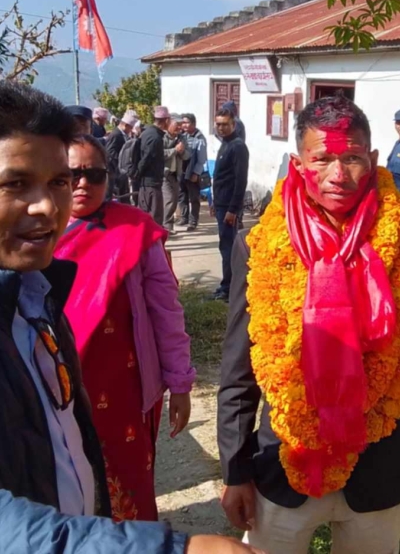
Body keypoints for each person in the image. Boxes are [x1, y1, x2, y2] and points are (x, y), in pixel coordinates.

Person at [0, 81, 264, 553]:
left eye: (73, 178)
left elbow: (166, 313)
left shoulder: (43, 290)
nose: (54, 199)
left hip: (116, 389)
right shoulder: (35, 255)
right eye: (16, 183)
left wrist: (179, 381)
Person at [217, 95, 400, 554]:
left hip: (376, 469)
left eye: (352, 158)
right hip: (282, 466)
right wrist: (235, 470)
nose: (338, 175)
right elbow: (238, 364)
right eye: (322, 158)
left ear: (374, 159)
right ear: (298, 163)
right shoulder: (258, 243)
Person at [54, 135, 195, 522]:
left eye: (93, 174)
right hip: (54, 388)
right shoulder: (32, 232)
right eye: (70, 174)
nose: (82, 184)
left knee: (126, 491)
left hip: (124, 391)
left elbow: (167, 313)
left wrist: (180, 384)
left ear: (109, 178)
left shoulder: (136, 230)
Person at [211, 107, 249, 302]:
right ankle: (226, 285)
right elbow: (220, 177)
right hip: (220, 204)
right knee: (224, 246)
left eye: (225, 124)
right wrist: (213, 201)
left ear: (233, 124)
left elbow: (240, 181)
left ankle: (229, 288)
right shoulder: (224, 144)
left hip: (229, 207)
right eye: (218, 124)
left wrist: (233, 210)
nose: (221, 128)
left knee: (228, 248)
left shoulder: (237, 146)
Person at [138, 106, 171, 226]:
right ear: (166, 120)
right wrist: (138, 173)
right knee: (155, 220)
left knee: (146, 218)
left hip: (147, 184)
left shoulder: (147, 133)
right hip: (151, 184)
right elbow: (146, 158)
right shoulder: (155, 137)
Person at [178, 113, 207, 232]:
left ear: (194, 124)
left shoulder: (199, 138)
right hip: (182, 170)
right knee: (182, 194)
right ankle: (183, 217)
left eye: (187, 122)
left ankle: (193, 220)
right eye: (183, 122)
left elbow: (202, 159)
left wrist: (196, 173)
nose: (184, 125)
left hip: (193, 171)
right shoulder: (182, 136)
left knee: (194, 197)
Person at [105, 109, 139, 202]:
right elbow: (109, 152)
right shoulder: (115, 135)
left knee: (125, 195)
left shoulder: (123, 135)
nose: (131, 130)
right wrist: (122, 158)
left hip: (122, 171)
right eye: (130, 127)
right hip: (115, 170)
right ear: (125, 125)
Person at [164, 118, 188, 234]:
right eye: (177, 125)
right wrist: (174, 150)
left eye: (180, 125)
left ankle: (167, 226)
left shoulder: (181, 138)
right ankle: (166, 227)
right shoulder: (162, 137)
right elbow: (160, 154)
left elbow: (187, 155)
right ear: (169, 124)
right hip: (164, 174)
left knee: (173, 200)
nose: (179, 128)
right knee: (169, 200)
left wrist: (182, 151)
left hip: (175, 174)